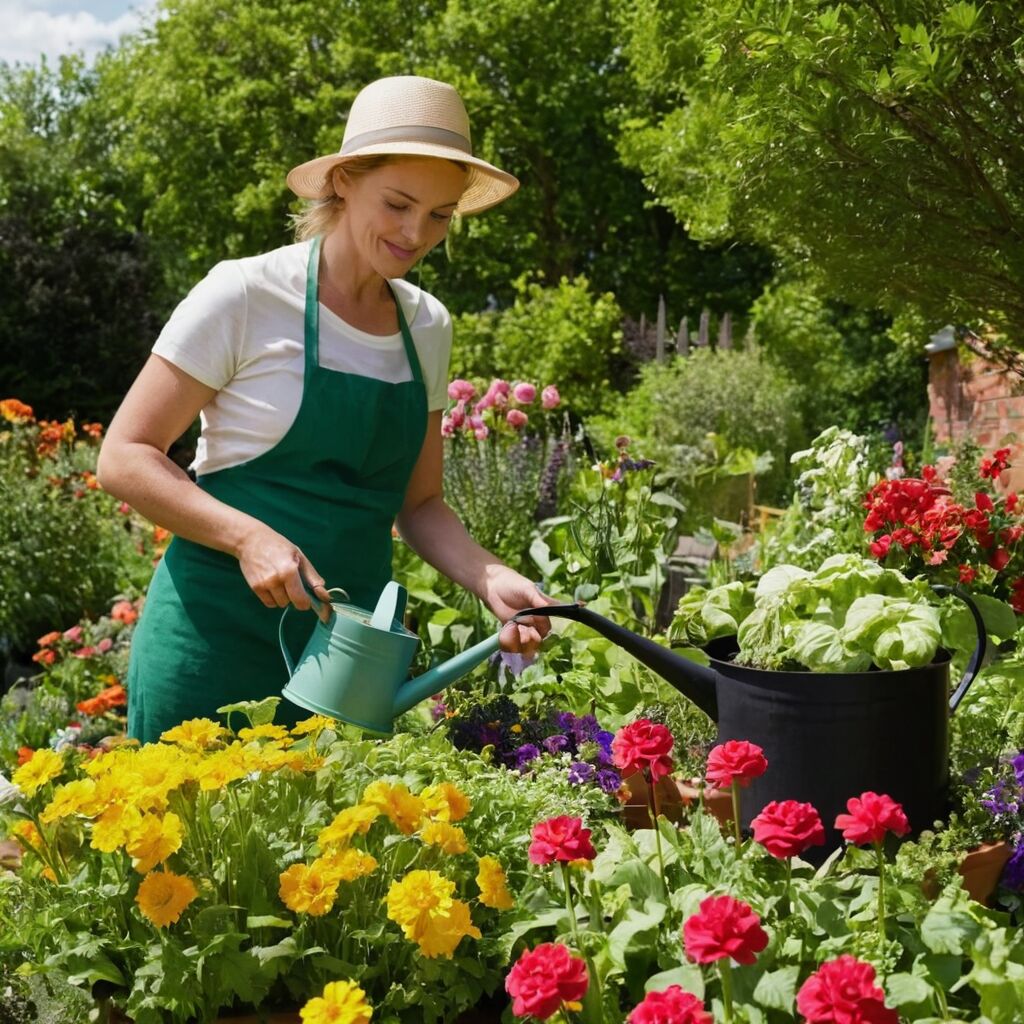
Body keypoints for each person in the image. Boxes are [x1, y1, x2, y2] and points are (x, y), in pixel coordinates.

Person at [97, 76, 556, 743]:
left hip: (345, 667)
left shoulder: (427, 326)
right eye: (398, 203)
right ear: (342, 181)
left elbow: (420, 503)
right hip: (210, 648)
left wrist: (490, 576)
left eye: (439, 215)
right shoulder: (246, 295)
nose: (415, 233)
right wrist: (247, 537)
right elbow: (123, 457)